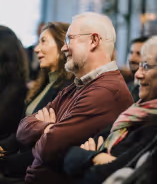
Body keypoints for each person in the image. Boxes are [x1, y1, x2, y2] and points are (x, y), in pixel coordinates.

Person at [16, 12, 133, 184]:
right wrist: (48, 128)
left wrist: (42, 131)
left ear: (93, 41)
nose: (64, 47)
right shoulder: (80, 84)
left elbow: (47, 148)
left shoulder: (105, 90)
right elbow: (21, 130)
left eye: (70, 39)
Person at [0, 22, 74, 184]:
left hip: (26, 165)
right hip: (14, 155)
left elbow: (47, 142)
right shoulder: (42, 85)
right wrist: (2, 147)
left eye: (43, 41)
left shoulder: (65, 89)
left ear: (62, 47)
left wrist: (6, 159)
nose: (36, 49)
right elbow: (22, 129)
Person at [63, 35, 157, 184]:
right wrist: (94, 157)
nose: (138, 75)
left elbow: (96, 176)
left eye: (145, 66)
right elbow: (68, 154)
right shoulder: (135, 111)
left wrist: (91, 156)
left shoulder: (150, 122)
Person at [127, 36, 148, 102]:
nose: (132, 59)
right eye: (131, 53)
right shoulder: (126, 87)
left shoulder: (150, 92)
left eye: (138, 54)